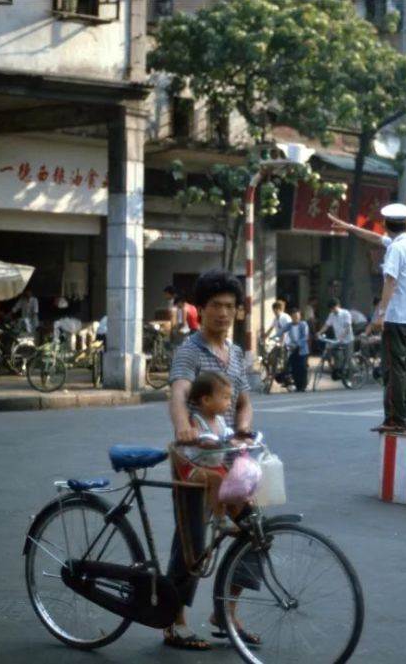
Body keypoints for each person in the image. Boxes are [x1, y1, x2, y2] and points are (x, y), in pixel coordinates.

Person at [166, 269, 257, 651]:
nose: (223, 313)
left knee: (255, 529)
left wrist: (243, 428)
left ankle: (225, 611)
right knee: (191, 539)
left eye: (230, 307)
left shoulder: (236, 355)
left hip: (228, 453)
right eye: (216, 305)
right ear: (200, 309)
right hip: (195, 457)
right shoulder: (190, 351)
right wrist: (184, 425)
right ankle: (173, 620)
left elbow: (244, 401)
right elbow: (178, 392)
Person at [329, 203, 406, 431]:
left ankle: (394, 419)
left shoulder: (395, 250)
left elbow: (390, 281)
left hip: (397, 318)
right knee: (405, 368)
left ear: (385, 224)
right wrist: (350, 227)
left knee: (393, 370)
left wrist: (379, 313)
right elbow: (375, 238)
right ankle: (405, 418)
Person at [171, 371, 244, 529]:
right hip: (195, 468)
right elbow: (202, 441)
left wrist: (238, 442)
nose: (229, 403)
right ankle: (219, 520)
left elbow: (228, 437)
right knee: (217, 480)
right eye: (225, 398)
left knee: (239, 485)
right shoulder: (196, 420)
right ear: (206, 400)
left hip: (215, 466)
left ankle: (239, 519)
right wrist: (210, 441)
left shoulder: (221, 420)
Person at [316, 297, 354, 378]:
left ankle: (352, 375)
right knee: (329, 349)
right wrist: (319, 332)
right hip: (338, 341)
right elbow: (327, 325)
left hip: (348, 340)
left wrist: (342, 337)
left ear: (338, 305)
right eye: (331, 308)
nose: (333, 310)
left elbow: (348, 328)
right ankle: (336, 368)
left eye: (334, 307)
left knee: (348, 358)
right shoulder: (331, 315)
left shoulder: (345, 313)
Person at [281, 306, 311, 392]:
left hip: (302, 349)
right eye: (293, 317)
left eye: (297, 317)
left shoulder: (303, 324)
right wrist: (274, 336)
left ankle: (303, 386)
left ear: (300, 317)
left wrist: (297, 344)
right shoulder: (289, 325)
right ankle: (298, 386)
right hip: (293, 349)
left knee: (302, 368)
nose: (295, 319)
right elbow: (282, 331)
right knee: (294, 368)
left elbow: (305, 337)